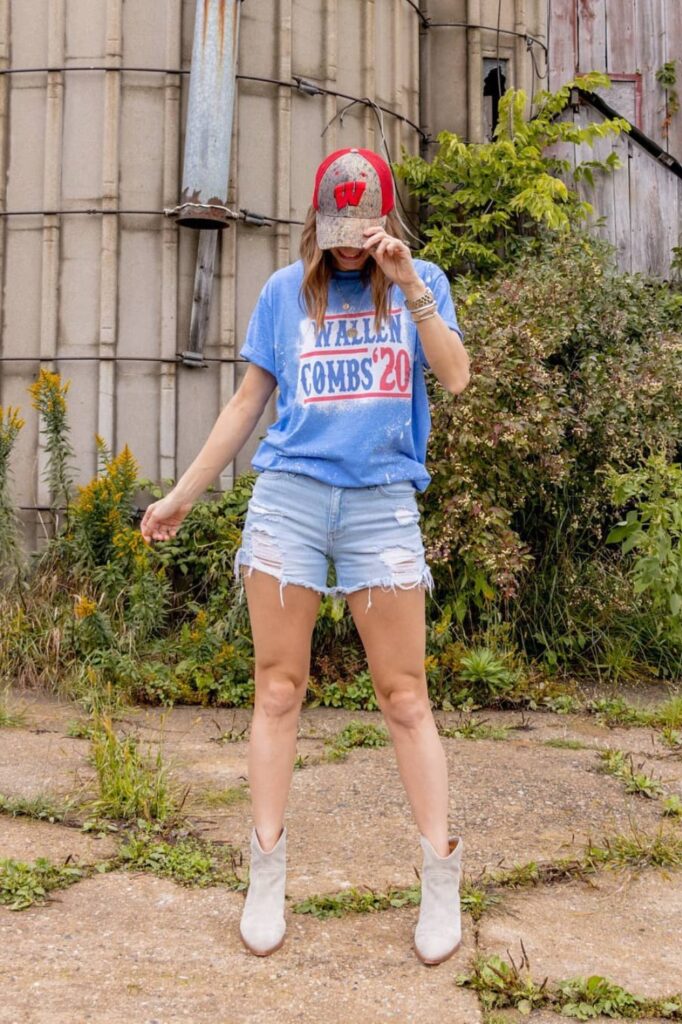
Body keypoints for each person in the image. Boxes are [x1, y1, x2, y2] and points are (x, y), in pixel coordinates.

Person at [140, 147, 471, 966]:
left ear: (386, 219)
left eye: (362, 230)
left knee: (403, 698)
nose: (349, 248)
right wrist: (182, 494)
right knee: (278, 691)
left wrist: (410, 285)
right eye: (335, 231)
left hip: (380, 503)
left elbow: (455, 378)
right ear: (314, 223)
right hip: (288, 497)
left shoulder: (416, 281)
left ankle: (439, 881)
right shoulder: (284, 293)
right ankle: (266, 875)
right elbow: (248, 402)